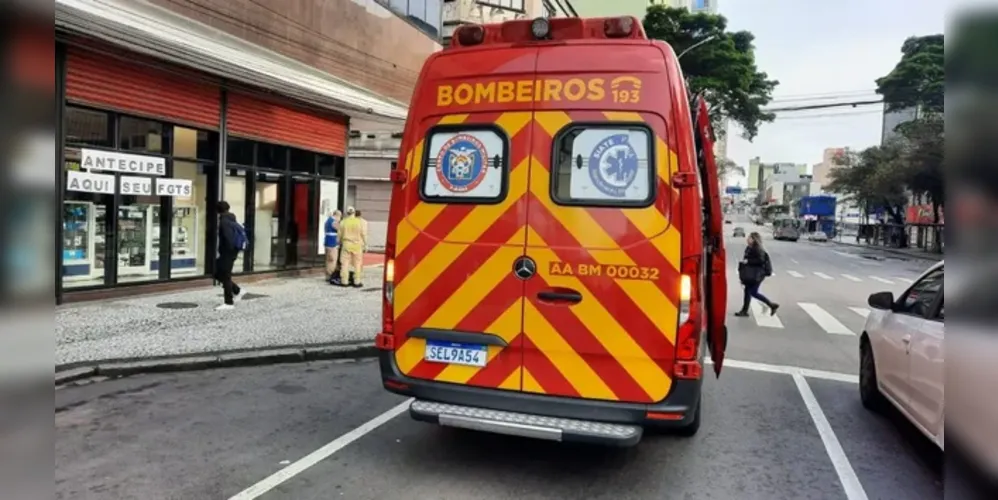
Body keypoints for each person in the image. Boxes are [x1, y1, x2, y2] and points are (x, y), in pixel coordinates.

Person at [735, 232, 779, 317]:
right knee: (747, 291)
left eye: (749, 238)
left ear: (754, 239)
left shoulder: (757, 249)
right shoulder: (749, 248)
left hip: (757, 275)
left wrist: (748, 261)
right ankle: (744, 311)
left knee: (753, 292)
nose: (747, 239)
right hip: (751, 274)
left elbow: (761, 261)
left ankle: (772, 305)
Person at [215, 201, 245, 310]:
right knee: (217, 273)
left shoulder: (224, 221)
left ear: (218, 210)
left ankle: (228, 303)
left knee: (225, 276)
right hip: (231, 252)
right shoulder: (231, 219)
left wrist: (224, 252)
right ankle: (237, 290)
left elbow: (228, 238)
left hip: (227, 252)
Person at [337, 206, 365, 287]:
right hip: (357, 245)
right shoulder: (359, 222)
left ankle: (344, 281)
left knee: (344, 264)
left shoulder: (343, 222)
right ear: (354, 213)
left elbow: (339, 235)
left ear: (346, 213)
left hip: (346, 245)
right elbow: (363, 234)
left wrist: (338, 242)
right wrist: (365, 244)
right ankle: (357, 281)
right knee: (357, 264)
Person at [324, 209, 341, 282]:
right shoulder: (334, 222)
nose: (340, 218)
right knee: (333, 260)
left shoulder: (327, 221)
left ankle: (327, 275)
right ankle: (331, 275)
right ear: (337, 215)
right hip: (333, 243)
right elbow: (340, 229)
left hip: (327, 242)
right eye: (340, 216)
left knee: (328, 260)